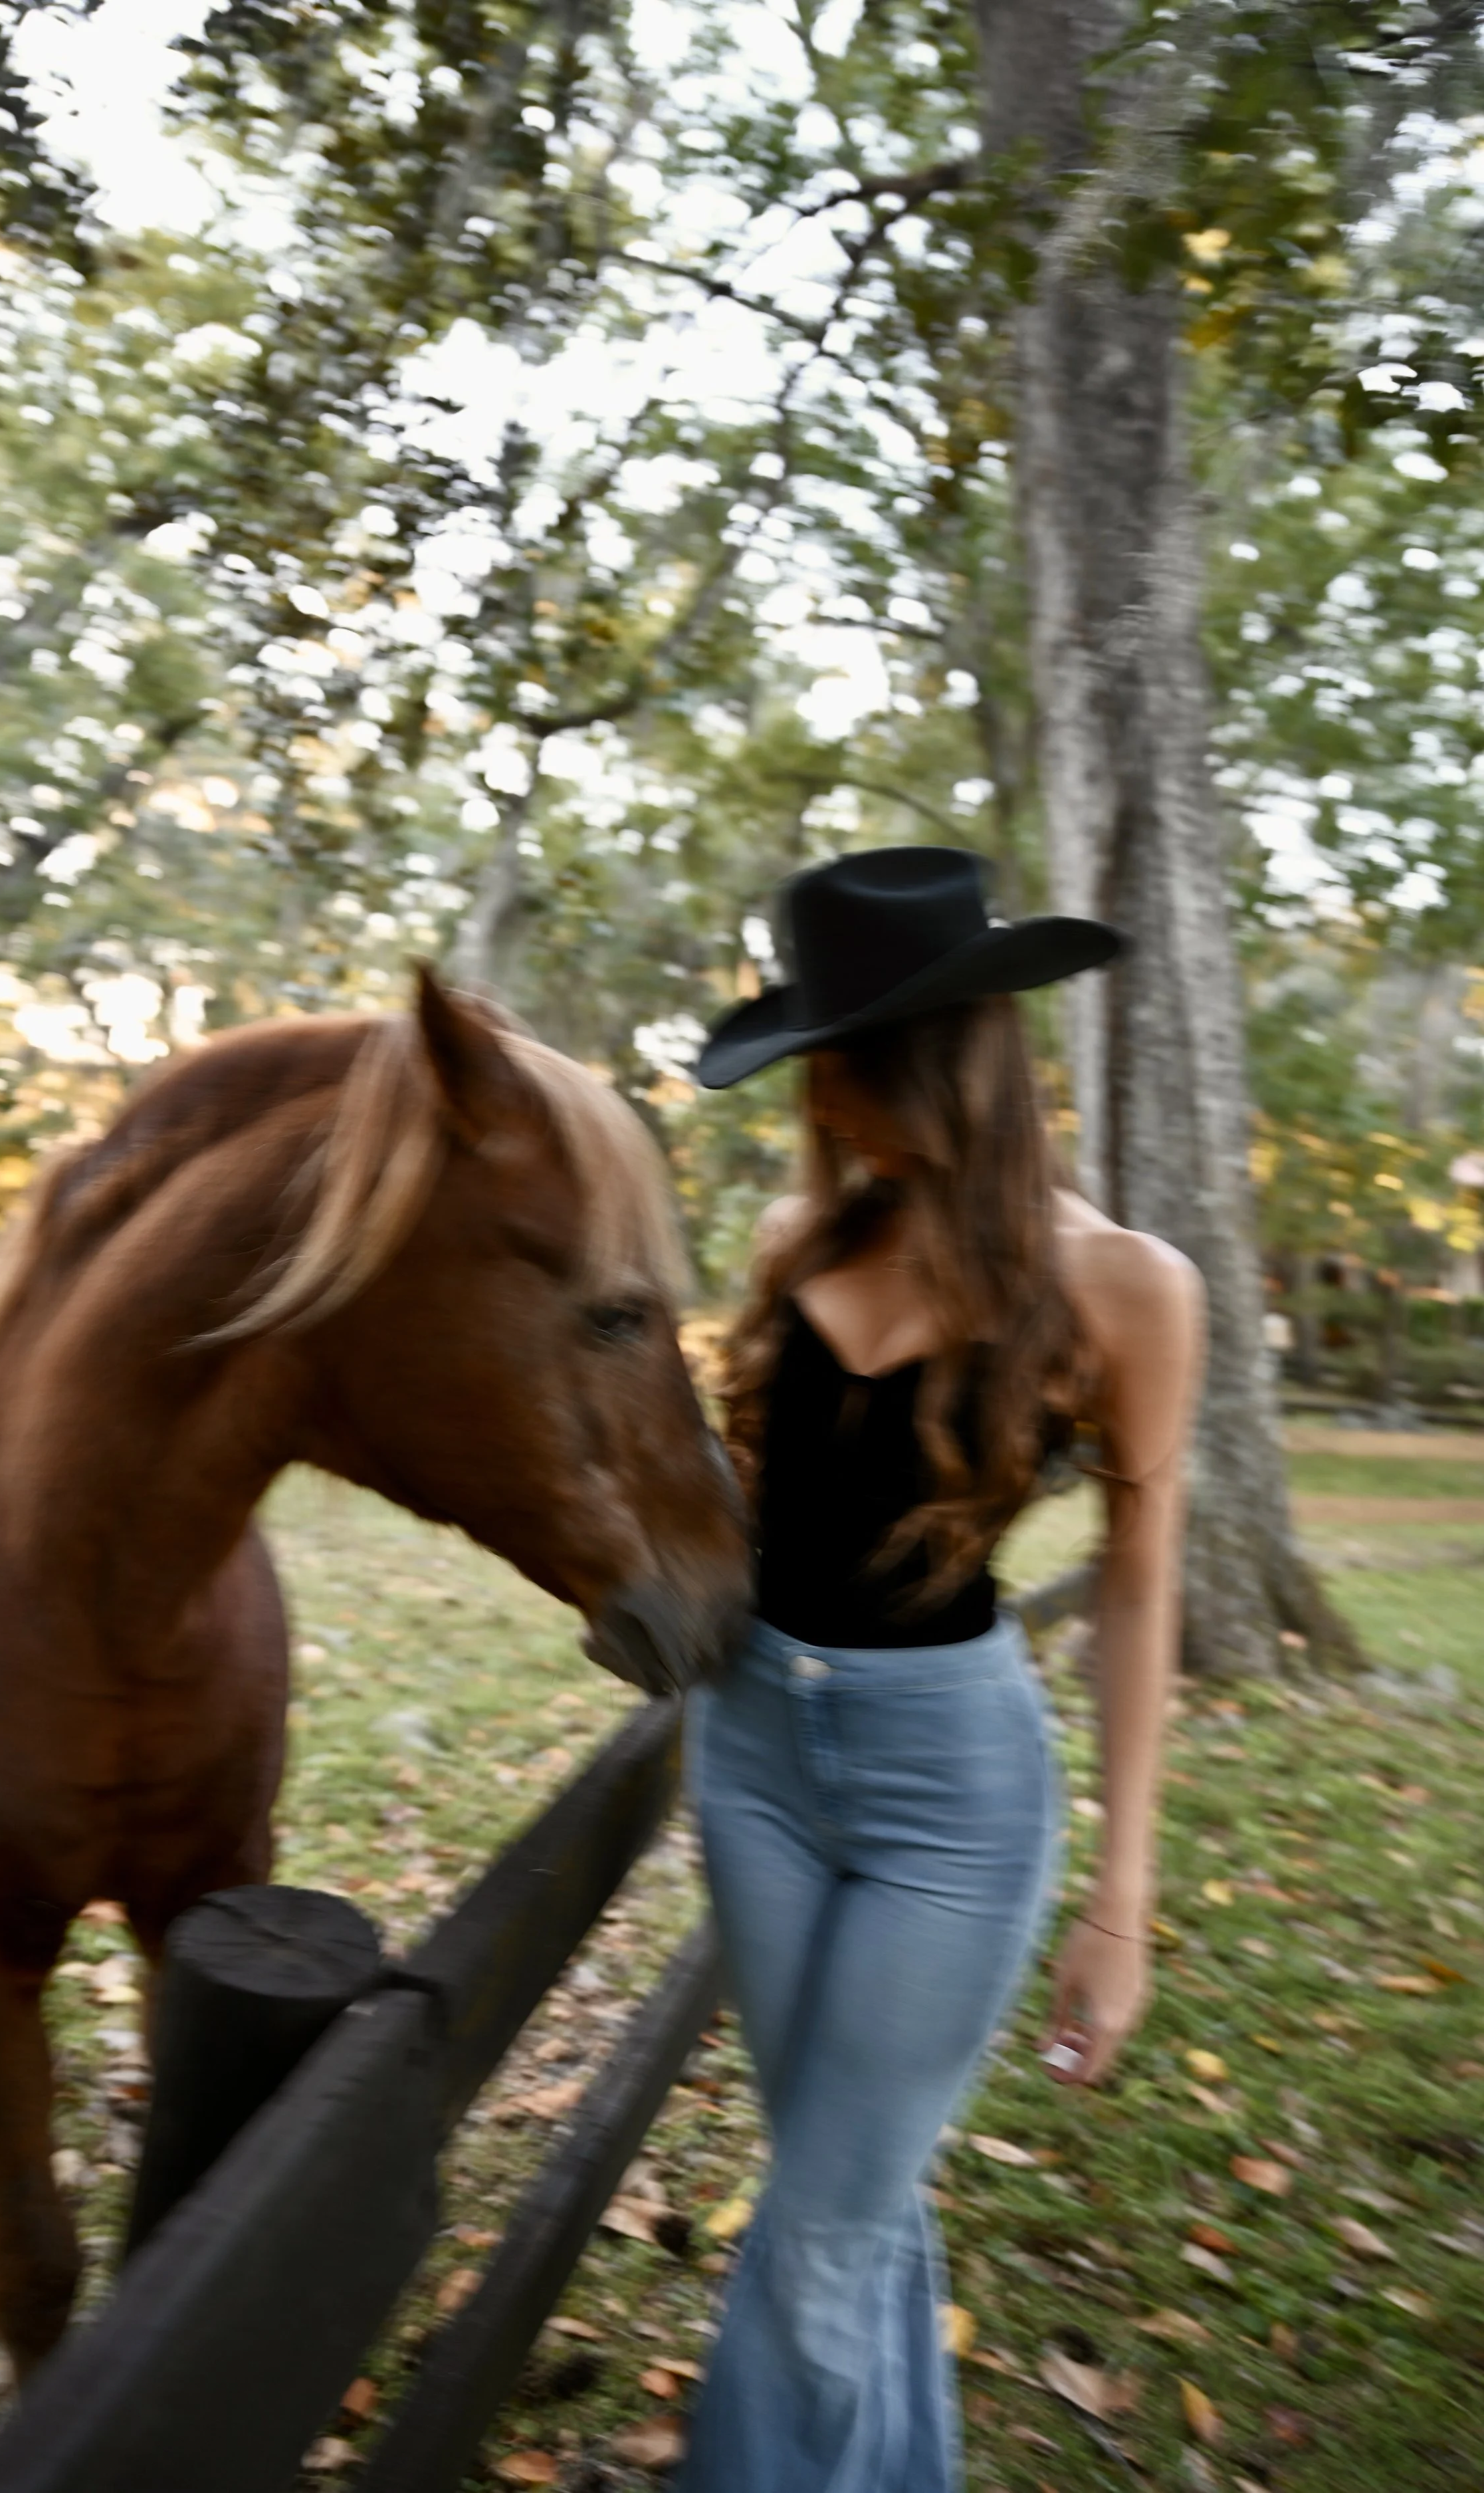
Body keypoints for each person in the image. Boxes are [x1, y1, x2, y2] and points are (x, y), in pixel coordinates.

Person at [679, 847, 1204, 2493]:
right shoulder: (787, 1240)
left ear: (938, 1056)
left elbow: (1135, 1591)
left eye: (836, 1056)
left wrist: (1119, 1900)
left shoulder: (1125, 1287)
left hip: (949, 1801)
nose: (814, 1093)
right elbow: (740, 1515)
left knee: (822, 2224)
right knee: (847, 2192)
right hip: (750, 1754)